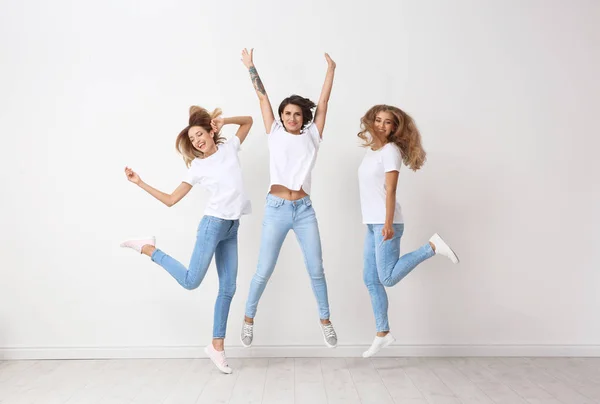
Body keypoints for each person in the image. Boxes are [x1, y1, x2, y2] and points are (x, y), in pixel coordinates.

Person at [120, 106, 253, 373]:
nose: (196, 141)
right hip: (212, 226)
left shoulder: (230, 149)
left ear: (211, 132)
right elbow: (171, 200)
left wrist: (224, 120)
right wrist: (140, 183)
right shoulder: (198, 167)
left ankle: (217, 347)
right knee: (191, 281)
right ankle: (148, 248)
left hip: (231, 227)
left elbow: (249, 121)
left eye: (199, 134)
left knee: (228, 288)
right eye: (192, 139)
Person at [239, 48, 338, 348]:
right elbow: (262, 99)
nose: (291, 117)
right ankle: (247, 319)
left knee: (316, 268)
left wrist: (331, 70)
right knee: (264, 270)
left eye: (296, 114)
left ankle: (325, 321)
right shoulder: (274, 132)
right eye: (287, 114)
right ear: (281, 117)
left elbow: (323, 103)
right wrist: (251, 67)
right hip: (277, 208)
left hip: (304, 209)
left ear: (303, 117)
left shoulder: (313, 135)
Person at [357, 104, 459, 358]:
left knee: (387, 278)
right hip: (372, 223)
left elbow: (391, 190)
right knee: (371, 279)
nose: (381, 125)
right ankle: (383, 333)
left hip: (385, 222)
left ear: (395, 127)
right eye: (378, 120)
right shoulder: (372, 151)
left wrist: (388, 223)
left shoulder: (390, 151)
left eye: (387, 122)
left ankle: (432, 247)